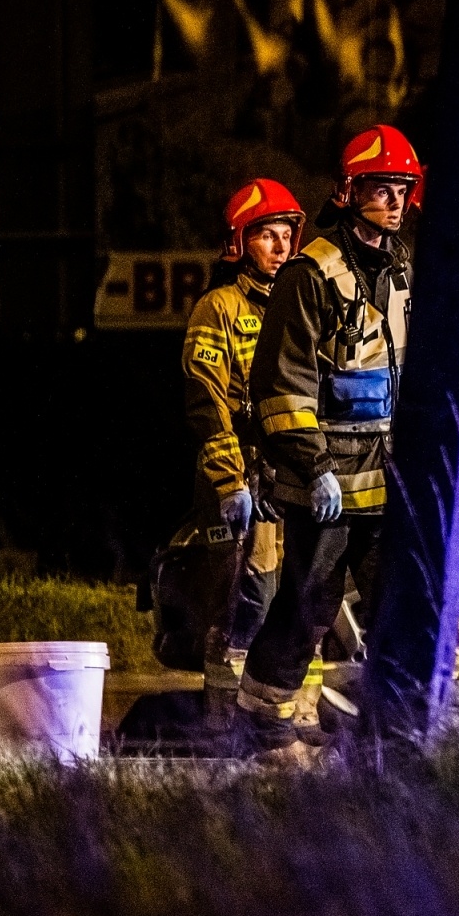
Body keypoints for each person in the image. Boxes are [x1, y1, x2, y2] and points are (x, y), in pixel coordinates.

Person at [237, 124, 419, 762]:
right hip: (330, 482)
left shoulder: (401, 268)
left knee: (397, 601)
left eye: (401, 188)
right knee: (309, 600)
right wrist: (313, 468)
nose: (394, 200)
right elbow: (282, 384)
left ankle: (396, 734)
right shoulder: (310, 274)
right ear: (348, 192)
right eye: (380, 188)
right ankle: (262, 725)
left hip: (386, 474)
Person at [183, 179, 301, 728]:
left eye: (285, 236)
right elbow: (207, 400)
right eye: (266, 236)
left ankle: (283, 716)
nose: (280, 248)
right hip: (242, 475)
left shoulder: (300, 304)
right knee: (242, 600)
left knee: (295, 598)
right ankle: (223, 723)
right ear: (239, 244)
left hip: (290, 475)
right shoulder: (219, 308)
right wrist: (229, 481)